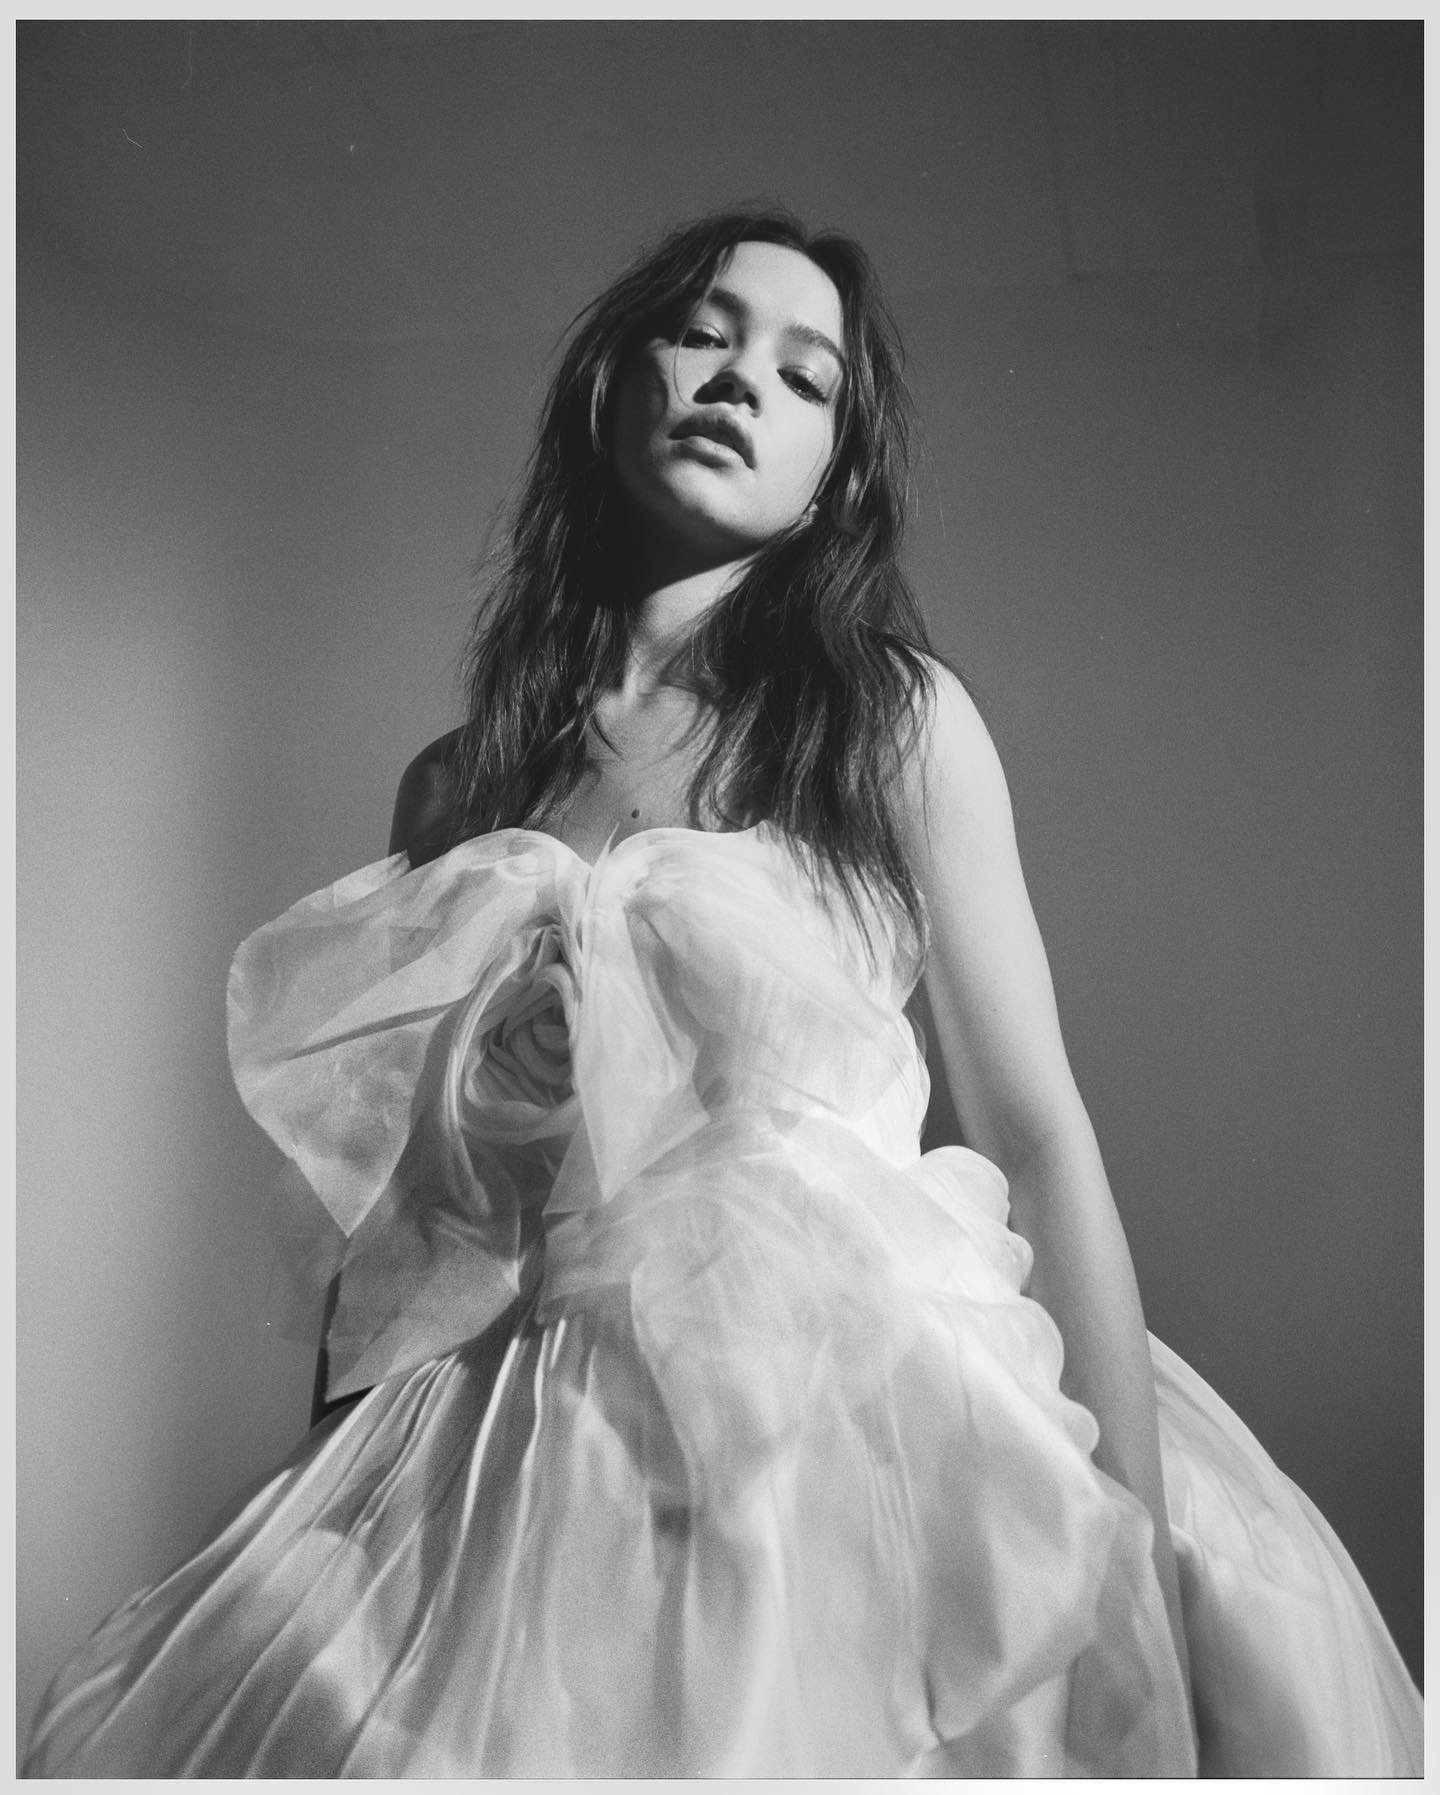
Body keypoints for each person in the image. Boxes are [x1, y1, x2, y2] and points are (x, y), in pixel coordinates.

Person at [25, 208, 1420, 1777]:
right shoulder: (459, 787)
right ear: (611, 385)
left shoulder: (890, 725)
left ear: (830, 476)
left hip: (857, 1457)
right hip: (524, 1476)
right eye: (702, 333)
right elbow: (410, 1235)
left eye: (805, 375)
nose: (743, 381)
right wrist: (330, 1538)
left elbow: (1036, 1141)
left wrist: (1137, 1572)